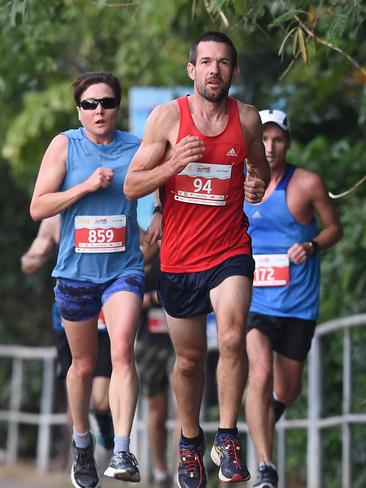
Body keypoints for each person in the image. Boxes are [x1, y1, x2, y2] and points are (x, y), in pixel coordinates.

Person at [124, 31, 270, 488]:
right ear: (192, 70)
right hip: (180, 258)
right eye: (205, 62)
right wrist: (172, 167)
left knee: (231, 336)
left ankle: (227, 438)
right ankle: (190, 444)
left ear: (233, 71)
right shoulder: (167, 118)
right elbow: (131, 185)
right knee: (188, 361)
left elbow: (260, 169)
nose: (214, 70)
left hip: (229, 249)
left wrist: (256, 185)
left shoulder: (246, 119)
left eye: (223, 63)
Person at [30, 71, 144, 488]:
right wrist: (84, 187)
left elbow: (165, 185)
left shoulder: (136, 146)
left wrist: (162, 219)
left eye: (108, 103)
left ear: (118, 107)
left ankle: (122, 449)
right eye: (90, 104)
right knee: (80, 366)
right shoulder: (65, 145)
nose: (99, 111)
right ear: (78, 109)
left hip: (123, 270)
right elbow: (38, 207)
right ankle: (82, 445)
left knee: (122, 350)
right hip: (76, 274)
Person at [244, 109, 343, 488]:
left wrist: (312, 245)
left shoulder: (306, 183)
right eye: (263, 139)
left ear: (288, 141)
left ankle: (242, 438)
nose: (269, 147)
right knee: (260, 374)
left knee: (285, 390)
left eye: (277, 139)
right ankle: (267, 469)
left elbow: (335, 228)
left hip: (297, 303)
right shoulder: (241, 184)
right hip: (253, 302)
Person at [20, 215, 114, 465]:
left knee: (101, 399)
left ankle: (104, 422)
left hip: (104, 319)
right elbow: (28, 262)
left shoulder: (110, 208)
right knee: (77, 395)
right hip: (68, 317)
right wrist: (37, 257)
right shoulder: (54, 219)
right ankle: (81, 462)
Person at [135, 240, 176, 488]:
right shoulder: (141, 259)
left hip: (178, 342)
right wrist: (153, 298)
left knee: (184, 408)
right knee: (157, 413)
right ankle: (161, 471)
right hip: (150, 343)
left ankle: (184, 469)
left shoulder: (183, 249)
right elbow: (123, 300)